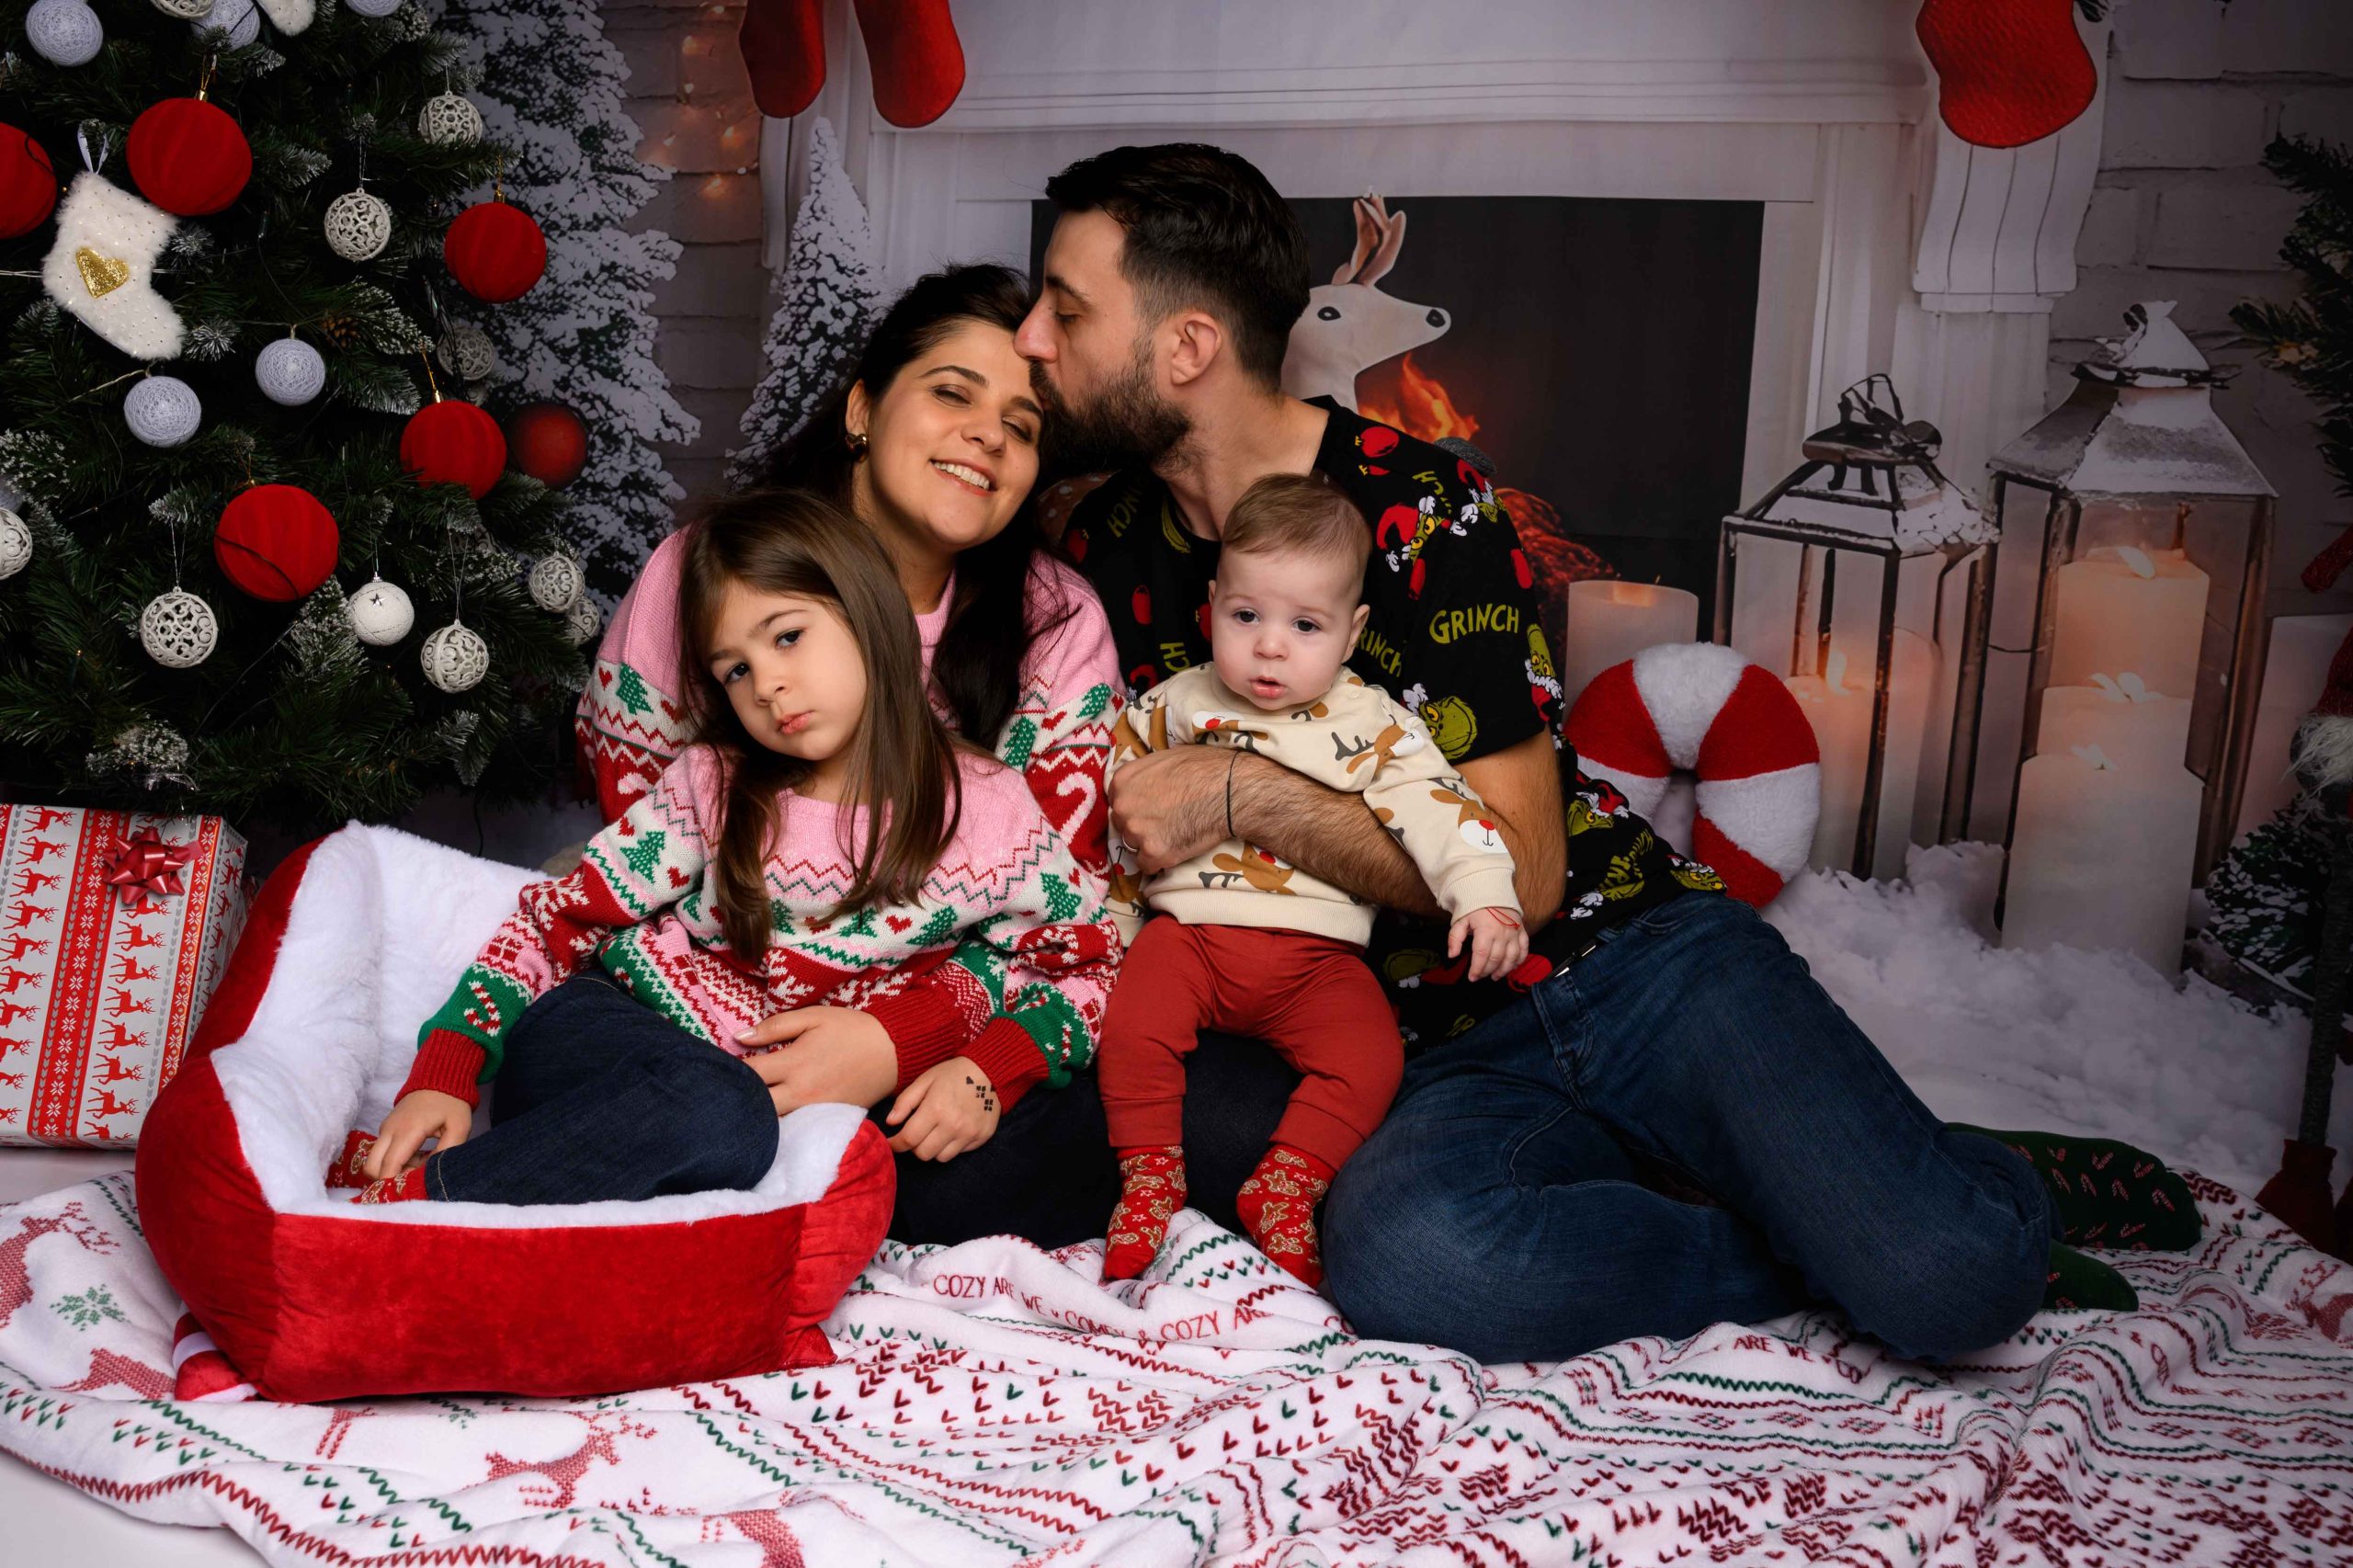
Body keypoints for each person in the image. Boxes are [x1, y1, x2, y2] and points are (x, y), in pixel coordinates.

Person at [1017, 142, 2164, 1362]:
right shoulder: (1103, 549)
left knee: (1952, 1282)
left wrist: (1243, 793)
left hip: (1638, 966)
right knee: (1411, 1260)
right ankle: (1797, 1218)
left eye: (1065, 310)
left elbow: (1522, 874)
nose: (1031, 338)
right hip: (1440, 1050)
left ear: (1187, 346)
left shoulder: (1424, 505)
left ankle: (1962, 1181)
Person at [343, 492, 1120, 1205]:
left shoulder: (988, 807)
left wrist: (986, 1072)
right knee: (725, 1114)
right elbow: (557, 919)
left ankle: (740, 1203)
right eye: (737, 670)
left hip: (804, 1101)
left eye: (788, 637)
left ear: (871, 614)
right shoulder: (712, 786)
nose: (768, 685)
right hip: (621, 1042)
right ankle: (424, 1200)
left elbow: (1087, 965)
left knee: (1055, 1149)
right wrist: (447, 1067)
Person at [574, 265, 1131, 1240]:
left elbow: (1060, 932)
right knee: (624, 1073)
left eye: (1023, 424)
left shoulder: (1056, 624)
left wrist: (890, 1039)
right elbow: (633, 857)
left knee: (1061, 1146)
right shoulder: (710, 569)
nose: (988, 435)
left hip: (932, 1052)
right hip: (712, 1022)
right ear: (863, 409)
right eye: (953, 392)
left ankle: (767, 1187)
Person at [1095, 472, 1528, 1287]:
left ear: (1352, 631)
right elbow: (1119, 810)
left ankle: (1288, 1185)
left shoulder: (1373, 723)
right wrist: (1114, 923)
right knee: (1131, 1028)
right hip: (1192, 939)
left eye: (1305, 625)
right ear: (1211, 606)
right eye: (1246, 616)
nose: (1270, 646)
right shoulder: (1177, 707)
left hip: (1317, 963)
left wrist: (1485, 895)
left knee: (1372, 1058)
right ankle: (1148, 1179)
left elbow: (1441, 809)